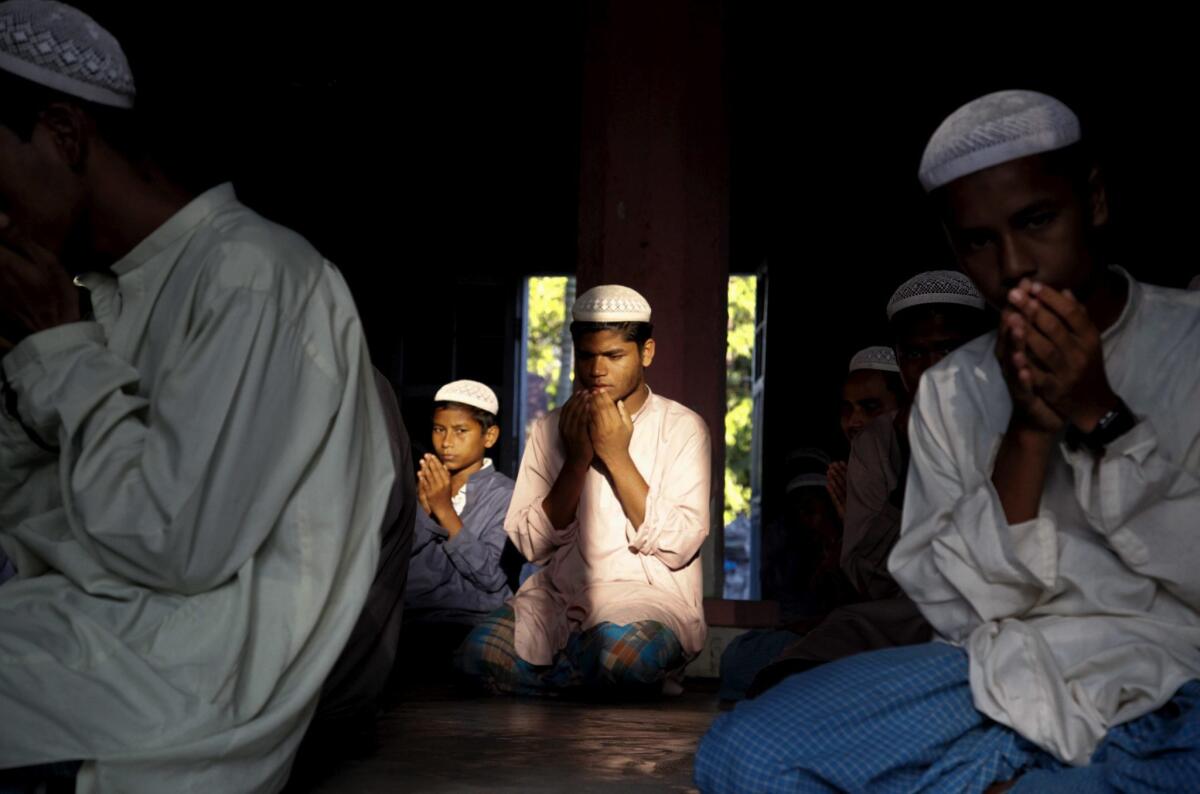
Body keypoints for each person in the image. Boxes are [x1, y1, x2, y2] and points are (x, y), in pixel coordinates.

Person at [695, 89, 1200, 793]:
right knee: (744, 755)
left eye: (1038, 220)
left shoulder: (1189, 341)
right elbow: (951, 608)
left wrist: (1099, 414)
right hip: (997, 668)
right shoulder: (950, 390)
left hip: (1175, 670)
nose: (1015, 263)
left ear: (1095, 200)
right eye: (980, 241)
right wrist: (1026, 433)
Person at [0, 3, 394, 789]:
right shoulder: (96, 292)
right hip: (89, 618)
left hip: (185, 666)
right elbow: (33, 511)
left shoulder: (254, 273)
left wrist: (57, 347)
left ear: (64, 134)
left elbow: (174, 545)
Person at [455, 284, 711, 696]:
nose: (597, 370)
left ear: (646, 352)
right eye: (587, 356)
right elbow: (531, 545)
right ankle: (594, 679)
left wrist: (616, 455)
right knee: (475, 656)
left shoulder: (683, 428)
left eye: (614, 356)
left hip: (647, 600)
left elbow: (680, 544)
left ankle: (577, 676)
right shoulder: (549, 428)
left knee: (623, 658)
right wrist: (576, 461)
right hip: (559, 597)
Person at [403, 380, 514, 670]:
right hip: (413, 617)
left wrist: (444, 510)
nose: (446, 442)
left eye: (460, 431)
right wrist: (423, 511)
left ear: (489, 436)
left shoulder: (505, 495)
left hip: (469, 621)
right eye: (439, 429)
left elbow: (491, 576)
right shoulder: (422, 486)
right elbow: (395, 562)